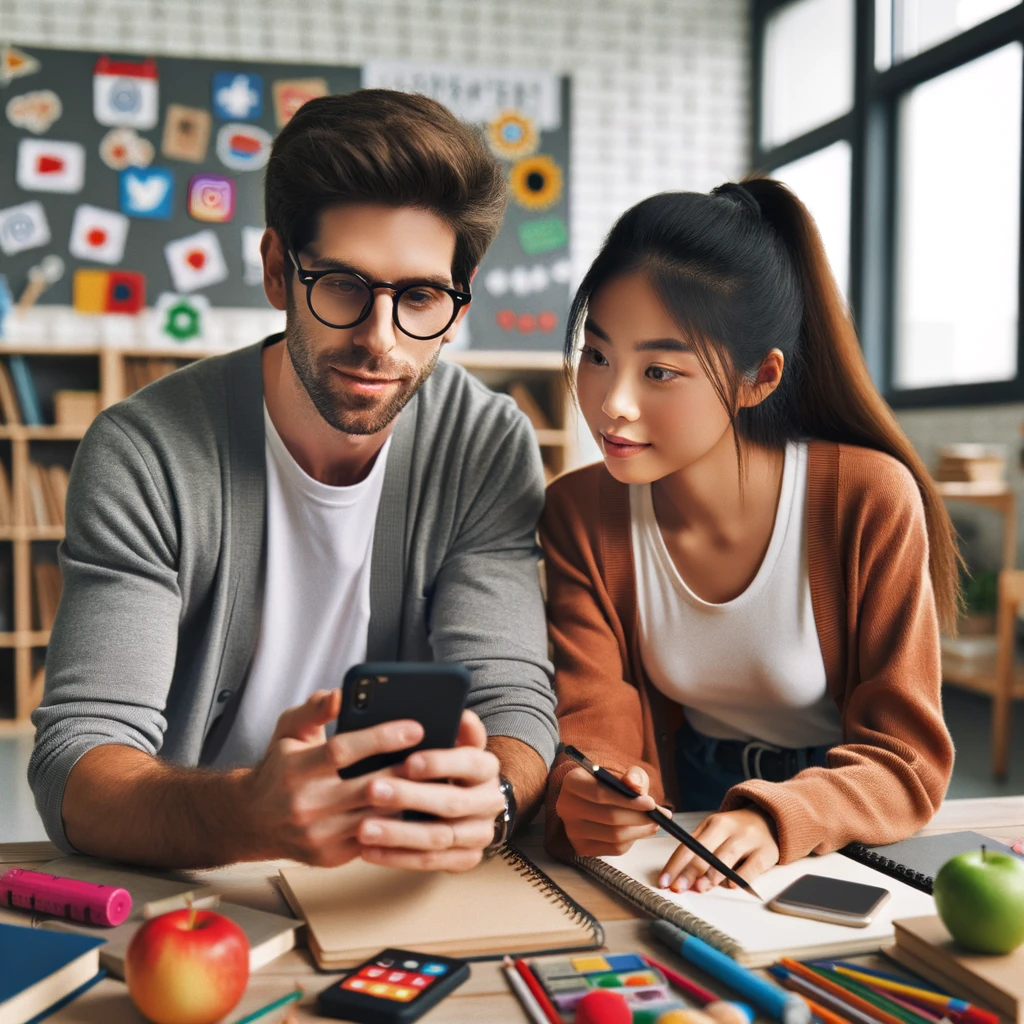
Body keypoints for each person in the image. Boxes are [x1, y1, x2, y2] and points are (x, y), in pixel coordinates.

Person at [29, 90, 558, 871]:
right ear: (279, 270)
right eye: (343, 285)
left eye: (419, 297)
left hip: (399, 875)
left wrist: (495, 801)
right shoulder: (146, 452)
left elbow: (513, 697)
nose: (380, 342)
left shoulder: (483, 442)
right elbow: (77, 761)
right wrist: (248, 814)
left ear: (456, 303)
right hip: (198, 875)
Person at [541, 179, 956, 892]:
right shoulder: (579, 513)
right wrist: (588, 788)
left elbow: (908, 758)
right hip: (677, 821)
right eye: (597, 355)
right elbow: (594, 719)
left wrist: (777, 816)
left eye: (660, 370)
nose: (612, 402)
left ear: (758, 379)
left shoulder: (865, 496)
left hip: (837, 819)